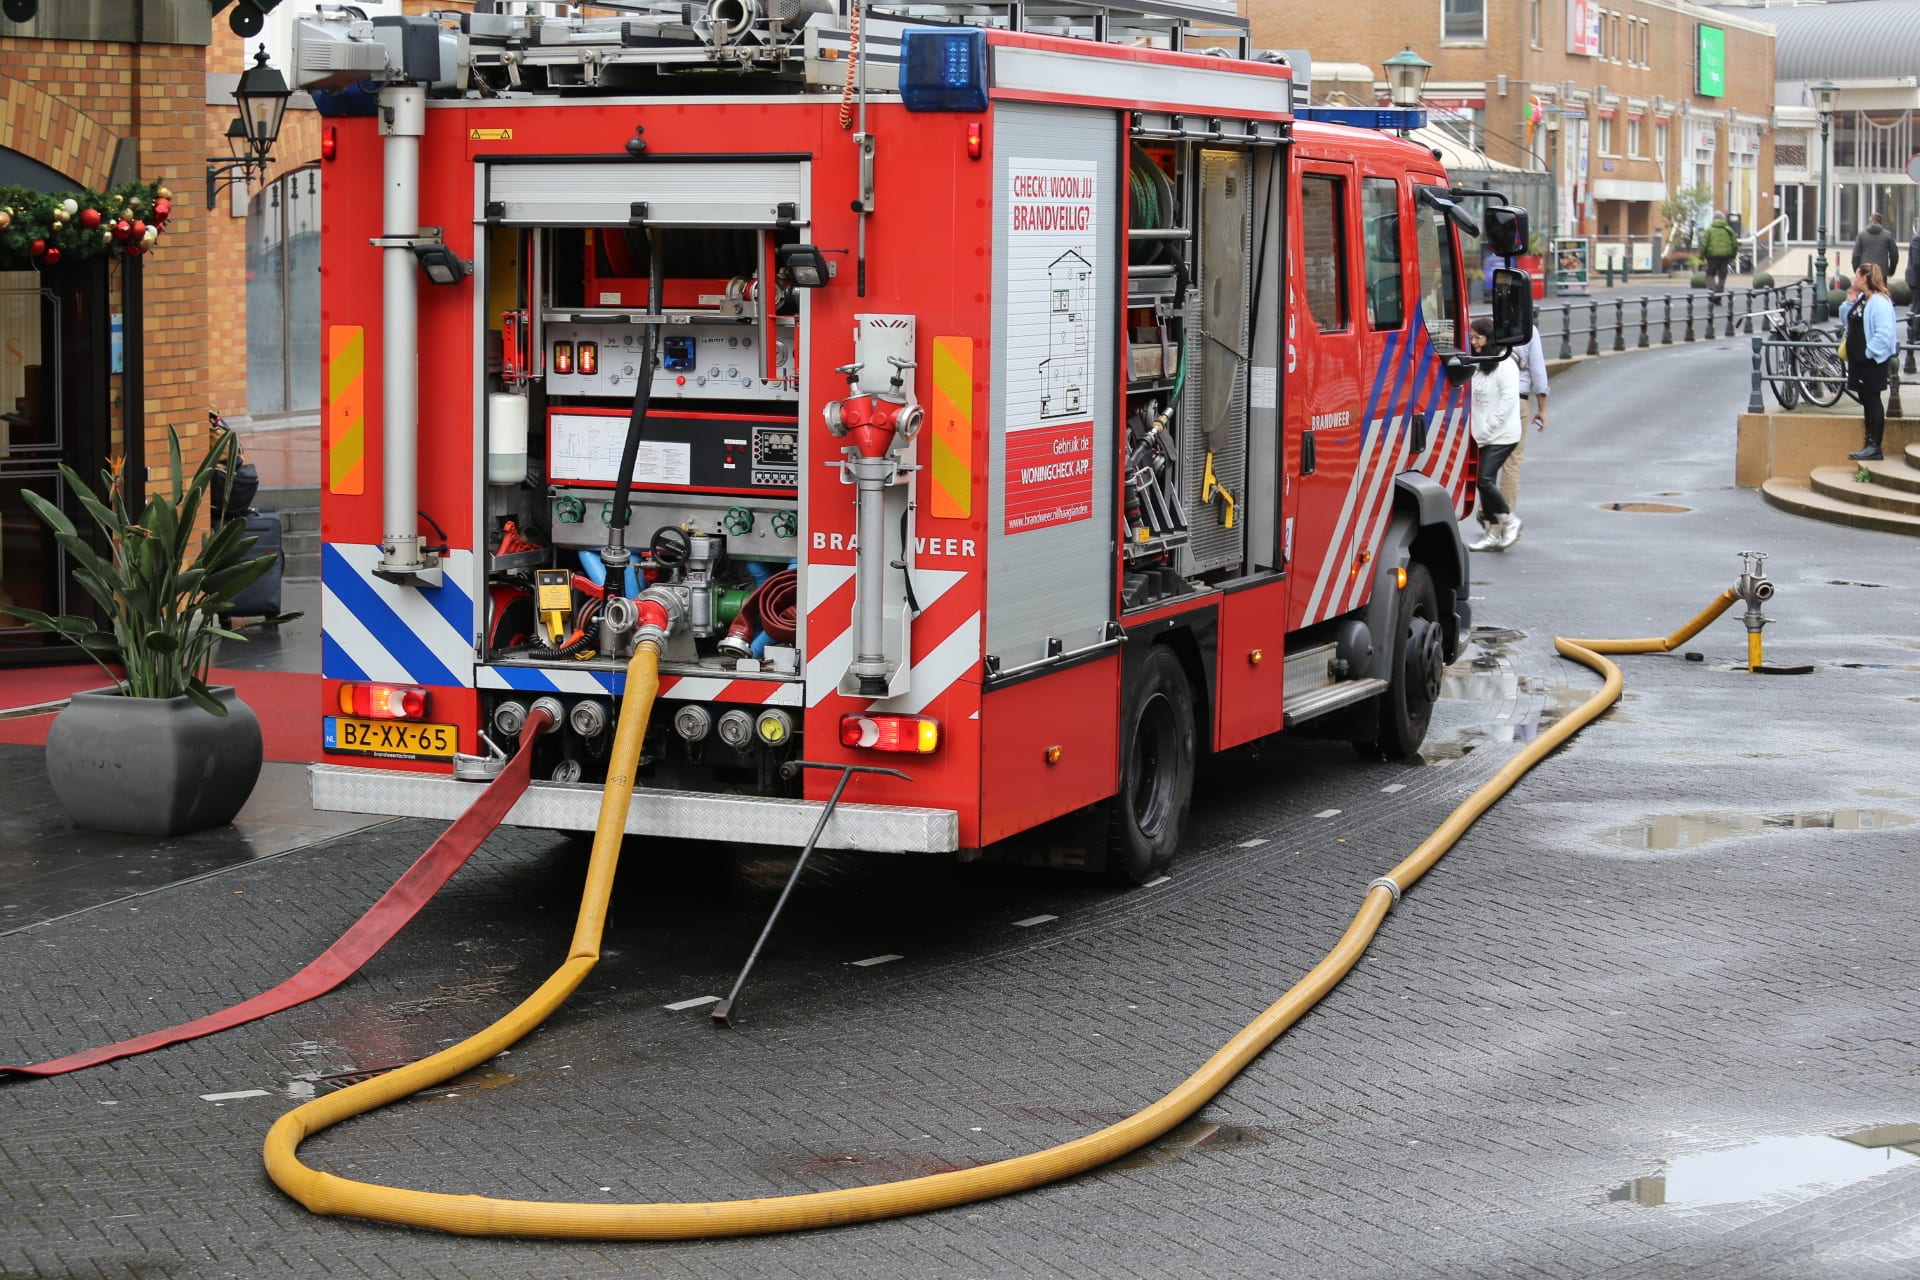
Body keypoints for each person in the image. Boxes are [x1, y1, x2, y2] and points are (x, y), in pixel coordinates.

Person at [1466, 316, 1522, 552]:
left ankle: (1510, 520)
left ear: (1489, 338)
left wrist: (1489, 428)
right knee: (1481, 483)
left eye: (1477, 337)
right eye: (1471, 337)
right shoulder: (1480, 363)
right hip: (1481, 434)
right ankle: (1492, 532)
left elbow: (1508, 400)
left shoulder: (1505, 363)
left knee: (1484, 480)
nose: (1474, 342)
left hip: (1502, 435)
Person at [1839, 263, 1897, 462]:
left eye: (1856, 276)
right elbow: (1847, 320)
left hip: (1871, 362)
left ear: (1864, 278)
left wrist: (1869, 352)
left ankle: (1875, 446)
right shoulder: (1864, 298)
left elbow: (1884, 333)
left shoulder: (1879, 301)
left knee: (1872, 400)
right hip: (1859, 362)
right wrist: (1849, 302)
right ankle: (1868, 442)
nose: (1854, 279)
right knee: (1866, 400)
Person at [1500, 323, 1549, 534]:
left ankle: (1486, 510)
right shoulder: (1528, 330)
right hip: (1516, 401)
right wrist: (1542, 409)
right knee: (1512, 462)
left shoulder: (1489, 325)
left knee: (1487, 460)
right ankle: (1504, 516)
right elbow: (1537, 369)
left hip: (1490, 400)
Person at [1851, 210, 1900, 281]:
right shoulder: (1887, 235)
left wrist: (1857, 271)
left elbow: (1855, 256)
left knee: (1866, 291)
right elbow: (1894, 255)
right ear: (1881, 222)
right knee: (1880, 291)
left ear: (1869, 222)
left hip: (1865, 272)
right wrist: (1891, 271)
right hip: (1881, 272)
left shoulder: (1861, 235)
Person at [1701, 215, 1738, 296]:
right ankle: (1719, 295)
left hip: (1712, 256)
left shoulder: (1709, 230)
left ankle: (1714, 291)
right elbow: (1735, 244)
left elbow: (1704, 244)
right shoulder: (1729, 230)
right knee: (1722, 275)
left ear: (1714, 219)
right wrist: (1733, 256)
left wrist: (1702, 257)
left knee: (1710, 274)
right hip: (1725, 256)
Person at [1905, 218, 1920, 343]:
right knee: (1917, 306)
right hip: (1916, 279)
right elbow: (1917, 262)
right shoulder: (1917, 239)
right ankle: (1913, 333)